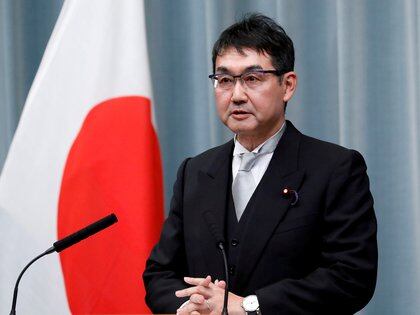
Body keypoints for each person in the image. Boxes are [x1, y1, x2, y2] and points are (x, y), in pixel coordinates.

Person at [143, 13, 377, 315]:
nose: (237, 95)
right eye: (224, 80)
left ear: (287, 85)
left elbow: (351, 276)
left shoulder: (335, 168)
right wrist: (192, 307)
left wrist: (251, 306)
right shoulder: (195, 172)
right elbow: (159, 273)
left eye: (252, 79)